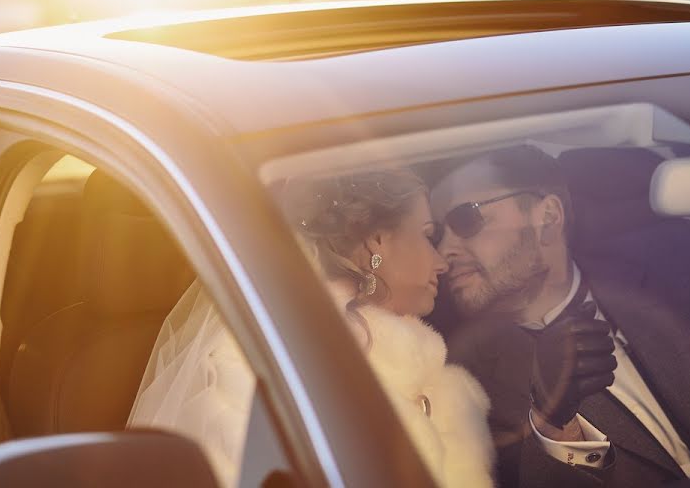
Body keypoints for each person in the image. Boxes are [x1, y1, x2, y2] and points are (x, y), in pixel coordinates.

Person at [429, 144, 690, 487]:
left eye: (467, 219)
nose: (445, 251)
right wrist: (551, 422)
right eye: (436, 235)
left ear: (547, 217)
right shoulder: (456, 383)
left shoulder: (679, 257)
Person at [130, 168, 494, 488]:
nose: (441, 262)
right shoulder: (263, 369)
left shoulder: (424, 364)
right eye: (427, 236)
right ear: (377, 242)